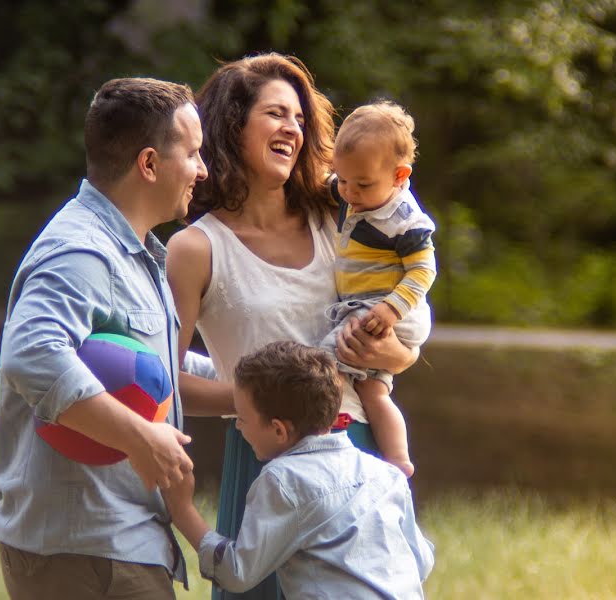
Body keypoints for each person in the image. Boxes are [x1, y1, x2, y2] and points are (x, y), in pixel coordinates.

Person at [166, 53, 419, 600]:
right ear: (233, 126)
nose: (293, 129)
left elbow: (404, 340)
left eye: (301, 119)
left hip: (358, 446)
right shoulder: (194, 248)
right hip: (266, 458)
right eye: (276, 114)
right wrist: (261, 400)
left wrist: (394, 356)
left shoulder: (342, 221)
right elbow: (164, 381)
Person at [0, 77, 208, 600]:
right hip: (85, 554)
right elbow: (32, 354)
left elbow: (153, 366)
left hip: (114, 544)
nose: (203, 170)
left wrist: (257, 383)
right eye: (194, 154)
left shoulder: (132, 252)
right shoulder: (81, 253)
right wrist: (139, 437)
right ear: (149, 164)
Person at [163, 341, 435, 598]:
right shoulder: (387, 475)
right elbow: (421, 560)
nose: (238, 426)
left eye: (242, 419)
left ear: (279, 430)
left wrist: (183, 509)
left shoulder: (283, 480)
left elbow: (237, 572)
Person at [319, 101, 437, 478]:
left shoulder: (404, 218)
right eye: (342, 180)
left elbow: (423, 270)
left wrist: (391, 309)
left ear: (399, 175)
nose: (349, 192)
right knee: (373, 391)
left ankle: (324, 436)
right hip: (368, 305)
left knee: (324, 360)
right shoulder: (361, 193)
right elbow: (331, 184)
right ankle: (399, 459)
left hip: (385, 308)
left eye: (362, 183)